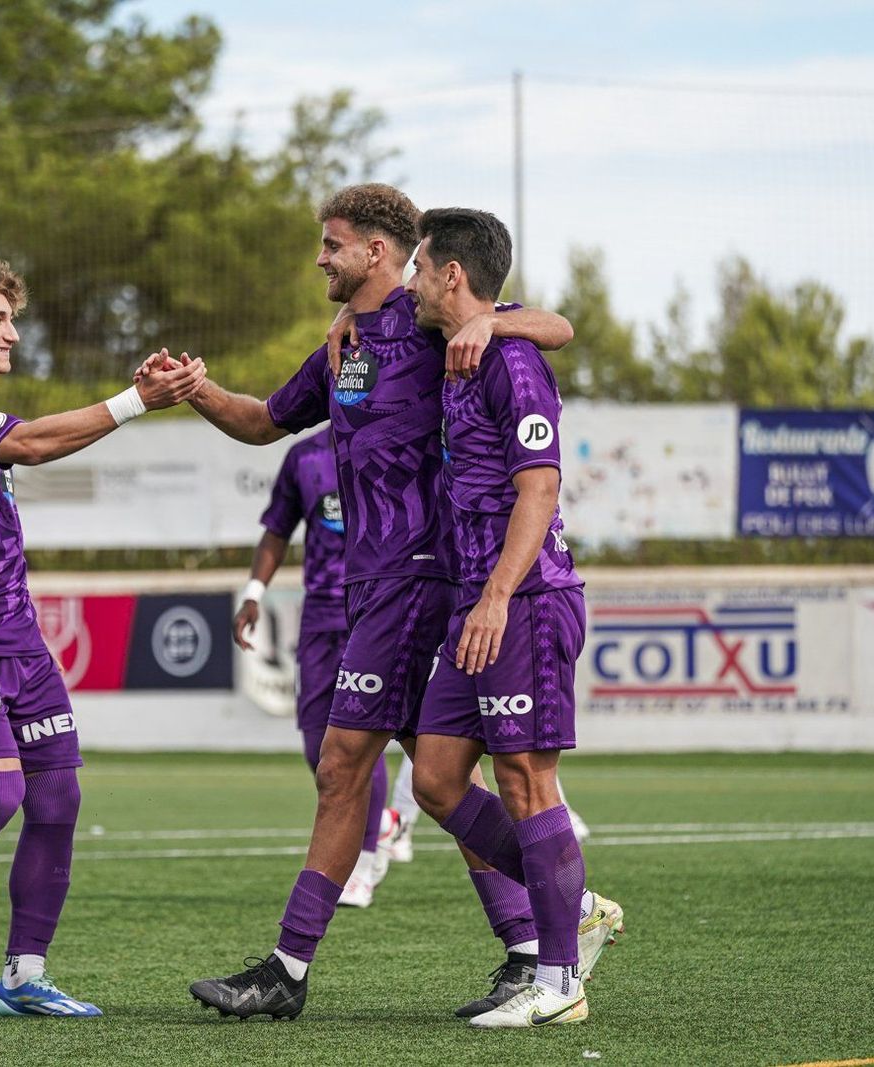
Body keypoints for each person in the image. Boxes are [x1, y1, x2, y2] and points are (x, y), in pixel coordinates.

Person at [173, 183, 577, 1021]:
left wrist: (490, 320)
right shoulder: (344, 344)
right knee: (433, 778)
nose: (319, 257)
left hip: (419, 576)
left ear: (379, 254)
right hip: (372, 582)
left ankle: (287, 968)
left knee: (342, 762)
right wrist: (197, 390)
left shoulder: (434, 321)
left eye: (332, 243)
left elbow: (555, 327)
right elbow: (267, 420)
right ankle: (542, 934)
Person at [0, 261, 206, 1017]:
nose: (12, 333)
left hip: (16, 635)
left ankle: (23, 976)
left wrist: (137, 394)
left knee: (57, 795)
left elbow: (28, 438)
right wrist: (135, 401)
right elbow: (30, 446)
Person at [405, 207, 622, 1030]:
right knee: (434, 778)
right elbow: (555, 318)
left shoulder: (512, 359)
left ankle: (559, 977)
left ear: (451, 274)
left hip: (523, 601)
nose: (415, 283)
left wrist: (496, 595)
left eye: (422, 268)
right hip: (477, 606)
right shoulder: (458, 347)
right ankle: (578, 906)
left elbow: (540, 489)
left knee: (526, 783)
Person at [235, 428, 393, 908]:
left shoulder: (397, 439)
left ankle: (363, 862)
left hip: (381, 608)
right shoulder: (304, 457)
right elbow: (277, 530)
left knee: (363, 738)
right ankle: (378, 821)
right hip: (322, 616)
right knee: (317, 745)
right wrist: (253, 594)